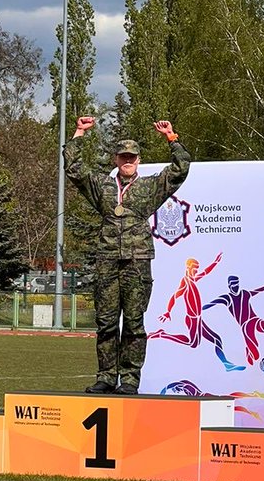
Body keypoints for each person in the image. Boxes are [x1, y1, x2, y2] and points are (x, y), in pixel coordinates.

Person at [64, 117, 190, 394]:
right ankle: (107, 376)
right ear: (116, 159)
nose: (127, 161)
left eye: (132, 157)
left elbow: (180, 169)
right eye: (123, 157)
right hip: (107, 260)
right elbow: (73, 168)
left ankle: (130, 379)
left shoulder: (149, 186)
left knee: (134, 323)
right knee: (106, 322)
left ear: (139, 160)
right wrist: (79, 133)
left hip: (137, 260)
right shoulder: (102, 186)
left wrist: (171, 137)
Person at [149, 255, 245, 372]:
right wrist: (168, 311)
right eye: (194, 269)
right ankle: (162, 334)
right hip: (192, 319)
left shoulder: (193, 280)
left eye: (196, 270)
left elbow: (205, 272)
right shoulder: (185, 282)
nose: (196, 272)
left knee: (217, 339)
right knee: (192, 343)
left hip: (199, 319)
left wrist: (215, 262)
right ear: (188, 268)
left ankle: (227, 365)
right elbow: (175, 296)